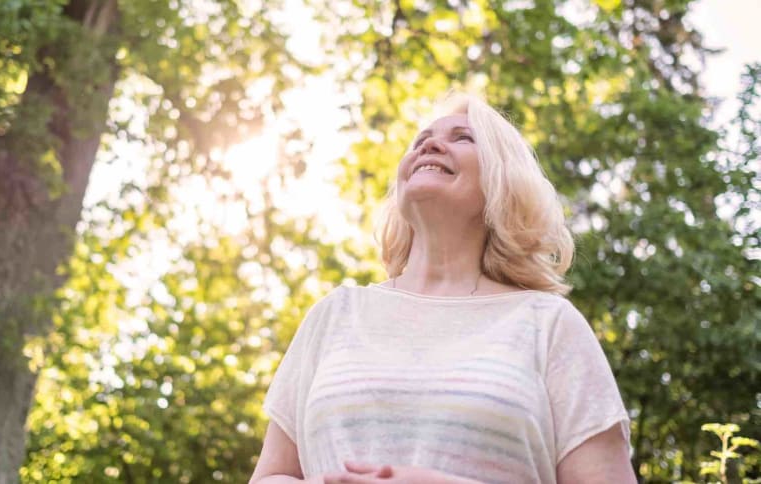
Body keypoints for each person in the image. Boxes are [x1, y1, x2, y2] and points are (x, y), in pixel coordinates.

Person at [249, 92, 635, 484]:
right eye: (420, 141)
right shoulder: (336, 314)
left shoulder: (548, 324)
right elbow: (270, 477)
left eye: (463, 138)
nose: (430, 144)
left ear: (503, 180)